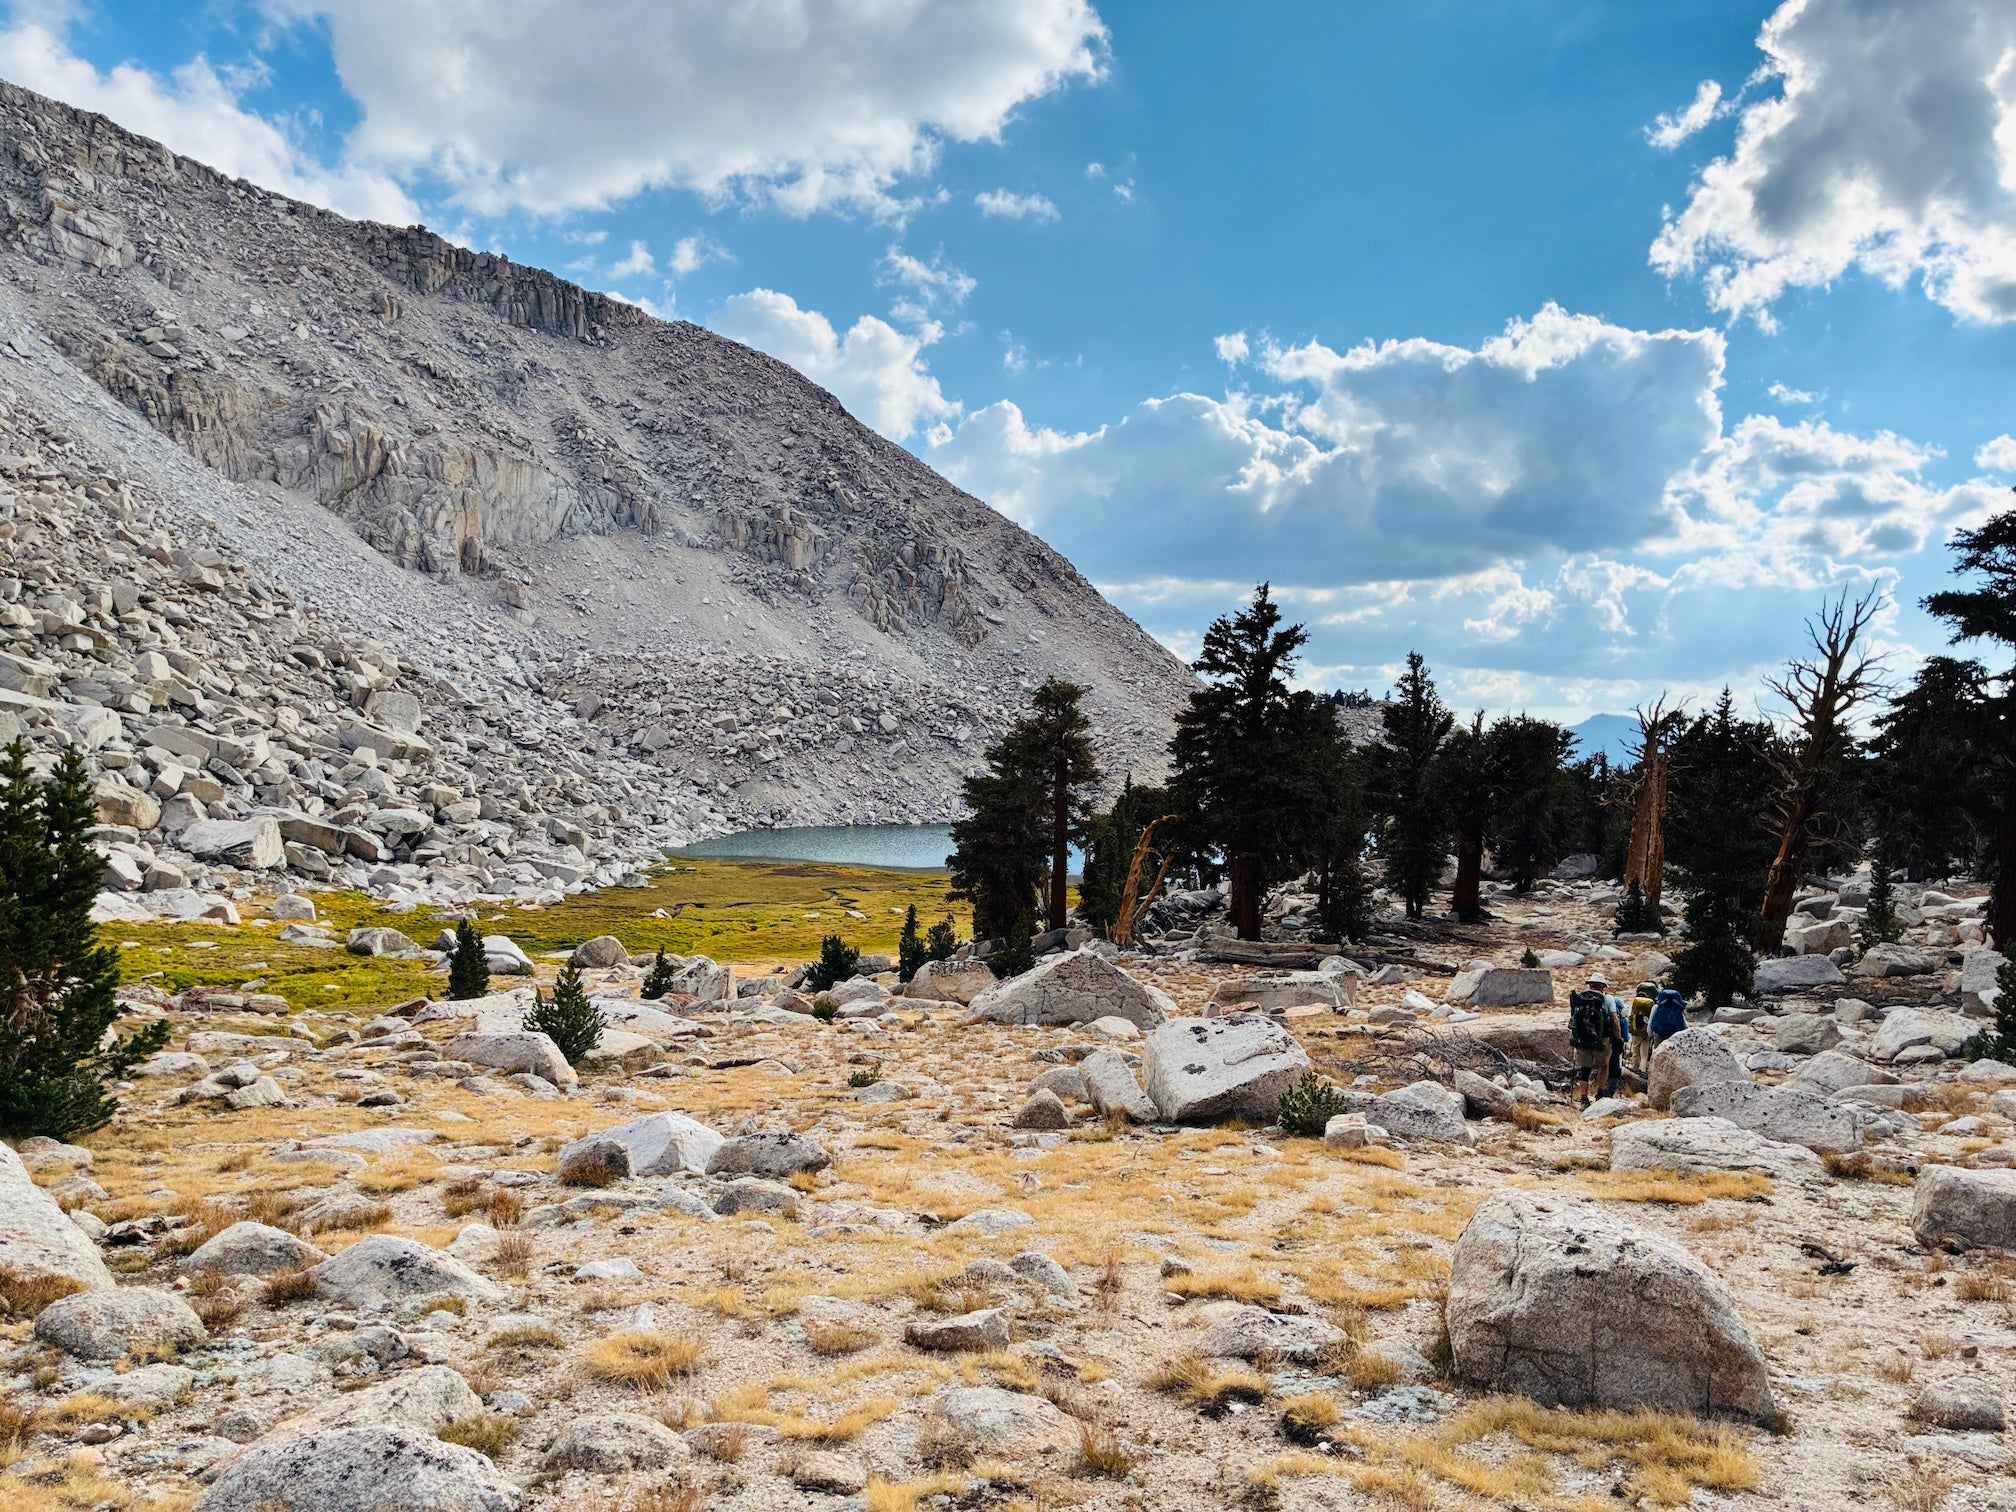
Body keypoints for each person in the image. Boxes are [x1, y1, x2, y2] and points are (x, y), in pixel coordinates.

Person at [1567, 972, 1615, 1108]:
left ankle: (1583, 1098)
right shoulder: (1607, 999)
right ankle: (1600, 1092)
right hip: (1601, 1038)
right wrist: (1618, 1036)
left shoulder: (1580, 997)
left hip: (1582, 1038)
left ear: (1590, 985)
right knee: (1604, 1065)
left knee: (1585, 1069)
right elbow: (1614, 1019)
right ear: (1602, 986)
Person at [1627, 980, 1657, 1075]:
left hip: (1636, 1031)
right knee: (1644, 1053)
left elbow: (1630, 1016)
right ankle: (1643, 1070)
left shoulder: (1635, 1003)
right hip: (1646, 1032)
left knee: (1635, 1051)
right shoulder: (1651, 1004)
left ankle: (1635, 1067)